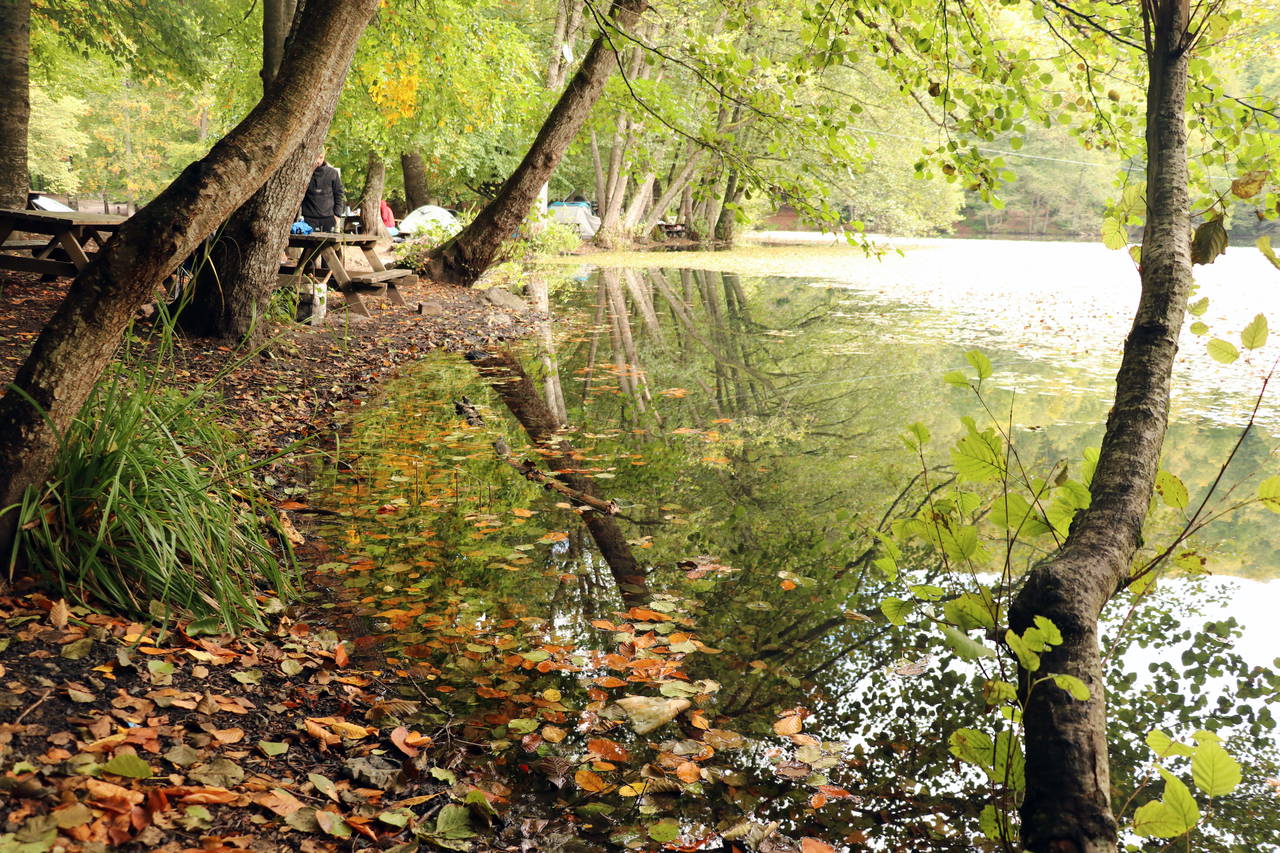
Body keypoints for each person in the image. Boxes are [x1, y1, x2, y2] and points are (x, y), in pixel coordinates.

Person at [301, 148, 344, 232]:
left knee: (329, 241)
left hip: (329, 218)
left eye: (321, 157)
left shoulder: (332, 173)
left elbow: (338, 194)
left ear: (324, 157)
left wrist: (337, 215)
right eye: (316, 157)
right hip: (309, 218)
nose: (318, 161)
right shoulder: (304, 173)